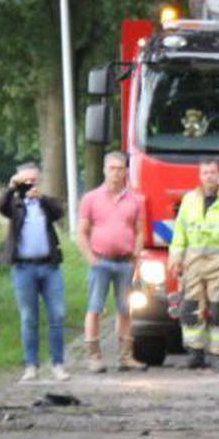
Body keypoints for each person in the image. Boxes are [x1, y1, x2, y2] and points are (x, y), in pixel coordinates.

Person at [168, 157, 219, 370]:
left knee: (218, 311)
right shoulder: (188, 200)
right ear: (200, 175)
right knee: (190, 310)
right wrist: (176, 256)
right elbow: (179, 232)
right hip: (192, 263)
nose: (209, 176)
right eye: (205, 173)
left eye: (213, 172)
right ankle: (195, 353)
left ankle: (218, 355)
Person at [0, 163, 70, 383]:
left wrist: (42, 198)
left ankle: (58, 364)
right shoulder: (14, 204)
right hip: (23, 268)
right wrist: (11, 188)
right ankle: (31, 366)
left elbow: (60, 210)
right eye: (24, 181)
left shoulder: (45, 204)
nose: (29, 185)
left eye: (33, 181)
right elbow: (0, 206)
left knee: (57, 315)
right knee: (29, 318)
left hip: (49, 267)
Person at [75, 151, 147, 373]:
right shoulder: (90, 199)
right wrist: (91, 259)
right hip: (100, 262)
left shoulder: (135, 200)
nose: (116, 173)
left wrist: (136, 256)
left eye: (120, 168)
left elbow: (139, 231)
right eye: (112, 168)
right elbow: (81, 233)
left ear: (126, 171)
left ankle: (125, 357)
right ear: (104, 170)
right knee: (95, 308)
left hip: (125, 263)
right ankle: (94, 357)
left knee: (125, 310)